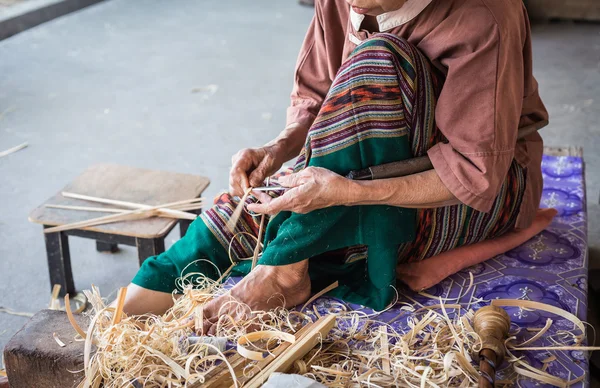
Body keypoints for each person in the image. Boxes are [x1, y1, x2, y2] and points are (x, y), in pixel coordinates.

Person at [122, 0, 548, 333]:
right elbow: (320, 93)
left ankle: (283, 270)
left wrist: (349, 193)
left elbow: (475, 173)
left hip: (479, 188)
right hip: (362, 162)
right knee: (244, 219)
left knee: (377, 59)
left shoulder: (486, 15)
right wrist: (279, 148)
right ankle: (284, 261)